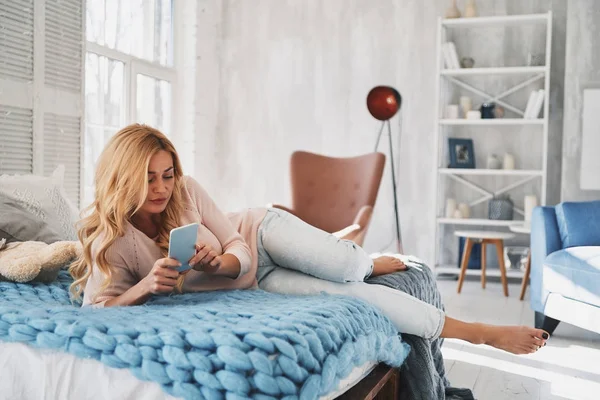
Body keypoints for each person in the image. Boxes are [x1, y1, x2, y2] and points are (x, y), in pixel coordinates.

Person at [70, 124, 549, 355]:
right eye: (149, 179)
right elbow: (99, 308)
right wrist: (145, 287)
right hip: (257, 287)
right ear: (123, 178)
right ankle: (481, 334)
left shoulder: (188, 193)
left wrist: (217, 262)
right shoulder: (110, 238)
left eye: (167, 175)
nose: (161, 189)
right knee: (354, 297)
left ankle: (365, 258)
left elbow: (237, 243)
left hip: (263, 235)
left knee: (347, 268)